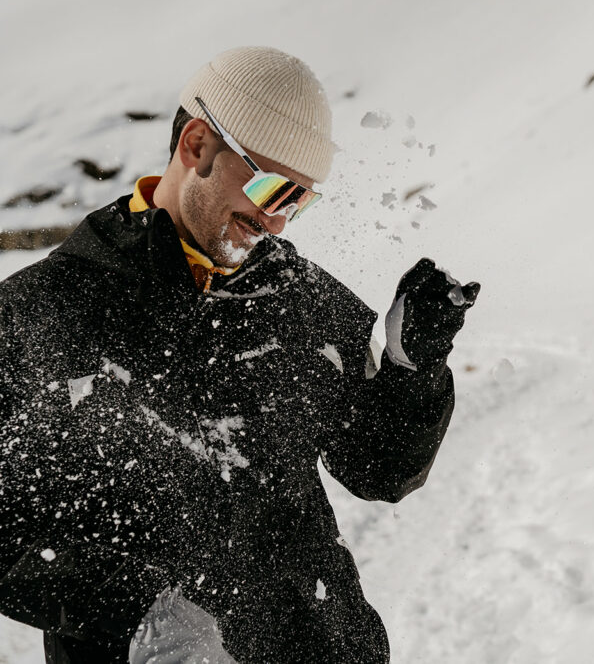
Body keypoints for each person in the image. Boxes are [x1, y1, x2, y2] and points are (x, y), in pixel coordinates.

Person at [0, 46, 479, 663]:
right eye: (273, 187)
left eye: (299, 201)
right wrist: (138, 612)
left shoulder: (293, 294)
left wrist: (413, 372)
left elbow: (379, 470)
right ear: (197, 143)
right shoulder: (45, 312)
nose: (277, 222)